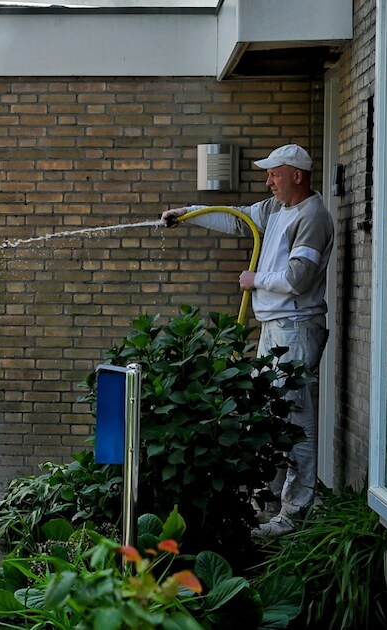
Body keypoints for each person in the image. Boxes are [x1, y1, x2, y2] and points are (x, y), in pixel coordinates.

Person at [161, 143, 334, 537]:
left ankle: (295, 512)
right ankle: (276, 498)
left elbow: (298, 278)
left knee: (293, 419)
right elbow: (238, 220)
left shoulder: (312, 216)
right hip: (277, 325)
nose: (268, 180)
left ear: (297, 175)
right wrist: (187, 214)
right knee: (275, 413)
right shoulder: (277, 209)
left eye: (275, 173)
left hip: (295, 326)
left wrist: (255, 280)